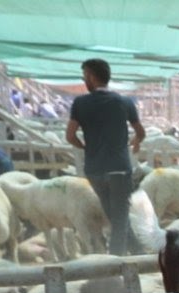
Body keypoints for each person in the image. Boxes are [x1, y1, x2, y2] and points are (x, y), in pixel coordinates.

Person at [66, 58, 145, 256]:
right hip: (119, 168)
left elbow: (70, 135)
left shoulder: (80, 103)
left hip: (95, 170)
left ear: (92, 77)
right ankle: (119, 261)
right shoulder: (124, 102)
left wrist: (86, 147)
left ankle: (132, 254)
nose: (84, 80)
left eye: (85, 76)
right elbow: (140, 132)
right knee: (119, 219)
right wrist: (134, 142)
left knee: (116, 217)